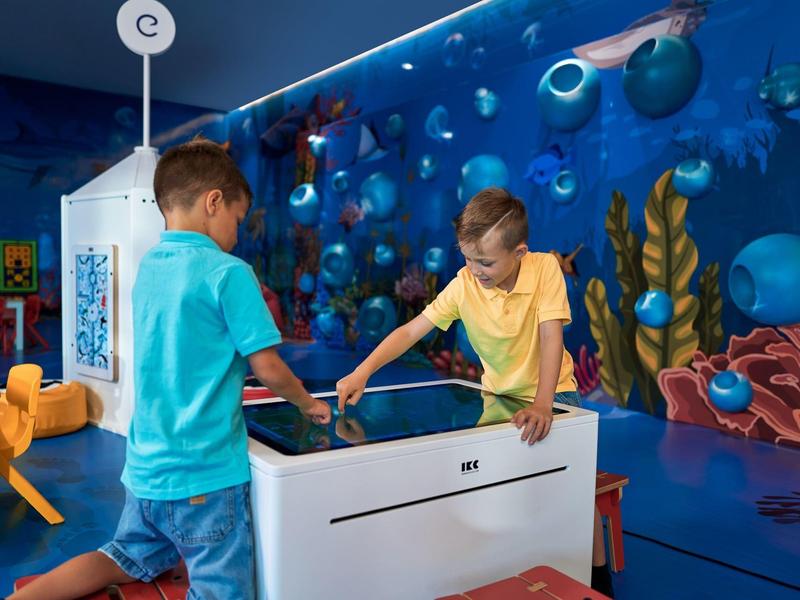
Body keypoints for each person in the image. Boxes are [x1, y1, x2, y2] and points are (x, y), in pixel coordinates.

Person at [10, 138, 331, 600]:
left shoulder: (151, 266)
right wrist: (306, 403)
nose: (238, 234)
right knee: (222, 590)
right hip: (205, 478)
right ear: (213, 202)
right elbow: (267, 366)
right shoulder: (229, 271)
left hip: (144, 472)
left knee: (117, 558)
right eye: (238, 221)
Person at [335, 187, 613, 597]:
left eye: (484, 261)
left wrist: (543, 404)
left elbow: (551, 336)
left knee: (574, 487)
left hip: (553, 396)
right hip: (498, 399)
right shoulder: (465, 284)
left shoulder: (544, 270)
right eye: (466, 257)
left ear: (519, 251)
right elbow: (412, 330)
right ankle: (507, 566)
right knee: (494, 487)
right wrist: (362, 371)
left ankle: (598, 575)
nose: (474, 268)